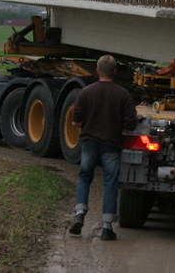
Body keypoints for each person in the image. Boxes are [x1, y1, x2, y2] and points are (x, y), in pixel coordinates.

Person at [68, 55, 137, 241]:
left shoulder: (86, 92)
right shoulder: (122, 94)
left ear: (97, 71)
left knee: (84, 177)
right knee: (110, 182)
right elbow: (131, 124)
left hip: (89, 142)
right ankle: (107, 228)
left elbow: (75, 121)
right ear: (115, 72)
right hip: (112, 144)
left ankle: (80, 213)